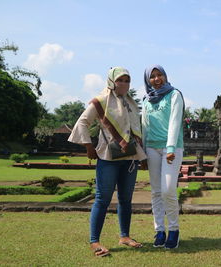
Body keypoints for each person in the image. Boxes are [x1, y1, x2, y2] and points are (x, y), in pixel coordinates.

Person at [68, 67, 146, 257]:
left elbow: (137, 129)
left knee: (126, 200)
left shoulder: (131, 103)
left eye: (128, 80)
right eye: (121, 80)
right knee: (102, 199)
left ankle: (125, 236)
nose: (125, 84)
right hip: (108, 157)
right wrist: (88, 146)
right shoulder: (101, 101)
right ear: (112, 81)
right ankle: (94, 241)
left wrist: (142, 156)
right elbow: (82, 122)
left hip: (129, 158)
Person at [141, 64, 184, 249]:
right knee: (156, 191)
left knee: (168, 190)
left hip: (171, 148)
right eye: (153, 76)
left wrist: (171, 146)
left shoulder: (174, 94)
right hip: (151, 148)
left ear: (165, 76)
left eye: (160, 75)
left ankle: (174, 230)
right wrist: (142, 152)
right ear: (147, 80)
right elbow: (144, 127)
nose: (157, 79)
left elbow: (175, 121)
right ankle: (159, 230)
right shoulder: (146, 100)